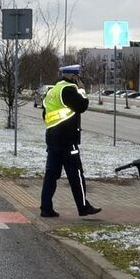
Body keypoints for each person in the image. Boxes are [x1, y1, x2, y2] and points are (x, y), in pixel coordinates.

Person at [39, 64, 101, 218]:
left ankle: (46, 208)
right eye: (78, 76)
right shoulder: (69, 90)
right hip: (67, 140)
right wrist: (82, 90)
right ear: (74, 76)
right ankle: (83, 207)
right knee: (76, 174)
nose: (79, 79)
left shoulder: (53, 90)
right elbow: (82, 106)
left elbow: (45, 113)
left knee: (51, 174)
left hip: (52, 139)